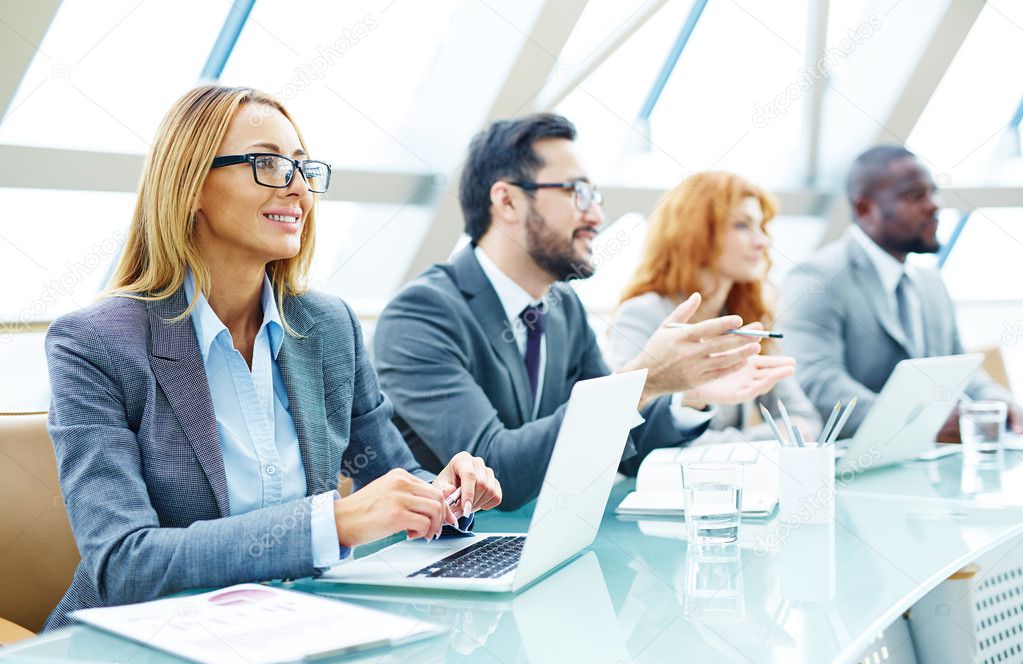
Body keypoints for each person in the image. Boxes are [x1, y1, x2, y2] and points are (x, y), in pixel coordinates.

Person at [43, 85, 501, 631]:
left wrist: (445, 491)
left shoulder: (328, 328)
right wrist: (332, 523)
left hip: (295, 632)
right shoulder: (95, 343)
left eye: (304, 169)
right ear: (190, 186)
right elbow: (124, 565)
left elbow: (389, 474)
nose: (300, 190)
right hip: (147, 648)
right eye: (269, 164)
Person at [374, 113, 771, 509]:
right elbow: (494, 474)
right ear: (507, 201)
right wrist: (642, 380)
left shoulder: (563, 306)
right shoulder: (419, 316)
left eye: (595, 197)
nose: (596, 216)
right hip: (448, 551)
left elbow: (626, 452)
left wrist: (688, 394)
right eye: (576, 192)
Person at [779, 145, 1021, 439]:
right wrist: (915, 424)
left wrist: (995, 399)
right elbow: (818, 383)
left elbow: (958, 366)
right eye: (915, 195)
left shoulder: (930, 282)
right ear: (865, 209)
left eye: (933, 192)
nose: (934, 205)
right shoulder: (817, 277)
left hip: (936, 466)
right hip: (857, 470)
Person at [607, 171, 820, 444]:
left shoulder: (746, 318)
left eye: (761, 226)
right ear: (695, 232)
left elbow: (806, 421)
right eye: (742, 225)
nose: (761, 241)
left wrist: (734, 442)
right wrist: (756, 439)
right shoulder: (643, 315)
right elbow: (631, 438)